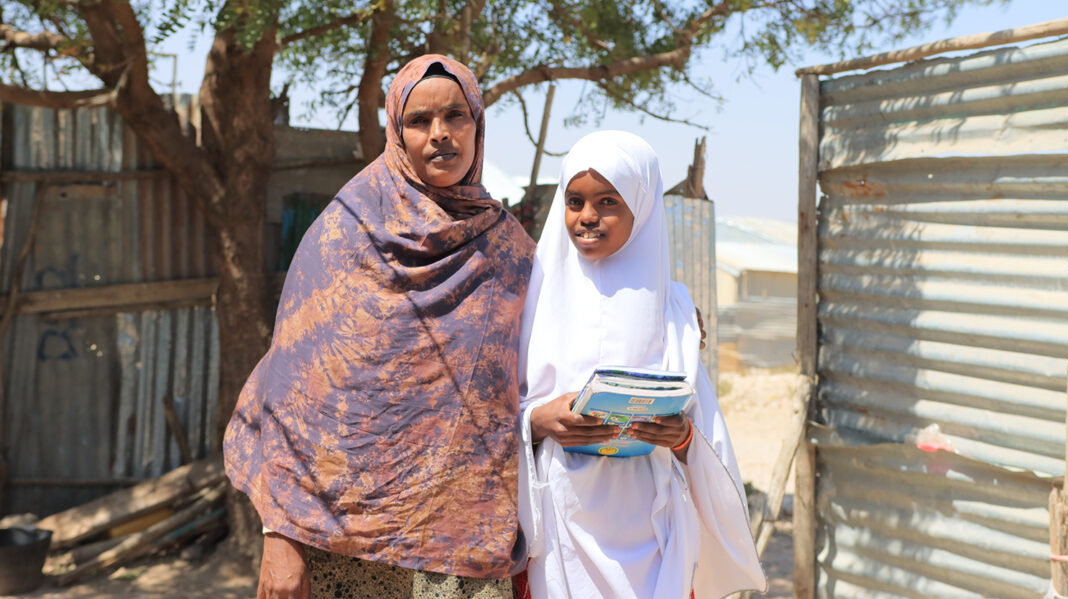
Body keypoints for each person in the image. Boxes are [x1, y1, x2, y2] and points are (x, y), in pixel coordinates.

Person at [224, 55, 534, 599]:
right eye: (419, 121)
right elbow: (294, 399)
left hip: (461, 554)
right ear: (396, 131)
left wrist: (664, 316)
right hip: (345, 547)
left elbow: (569, 330)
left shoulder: (509, 248)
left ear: (477, 124)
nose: (440, 135)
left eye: (455, 116)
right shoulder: (347, 232)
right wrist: (280, 535)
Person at [517, 131, 766, 599]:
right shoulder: (531, 295)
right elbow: (493, 410)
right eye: (574, 200)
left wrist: (682, 438)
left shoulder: (672, 306)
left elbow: (700, 423)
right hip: (558, 526)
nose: (587, 216)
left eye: (608, 201)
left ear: (643, 207)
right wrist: (536, 420)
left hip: (654, 533)